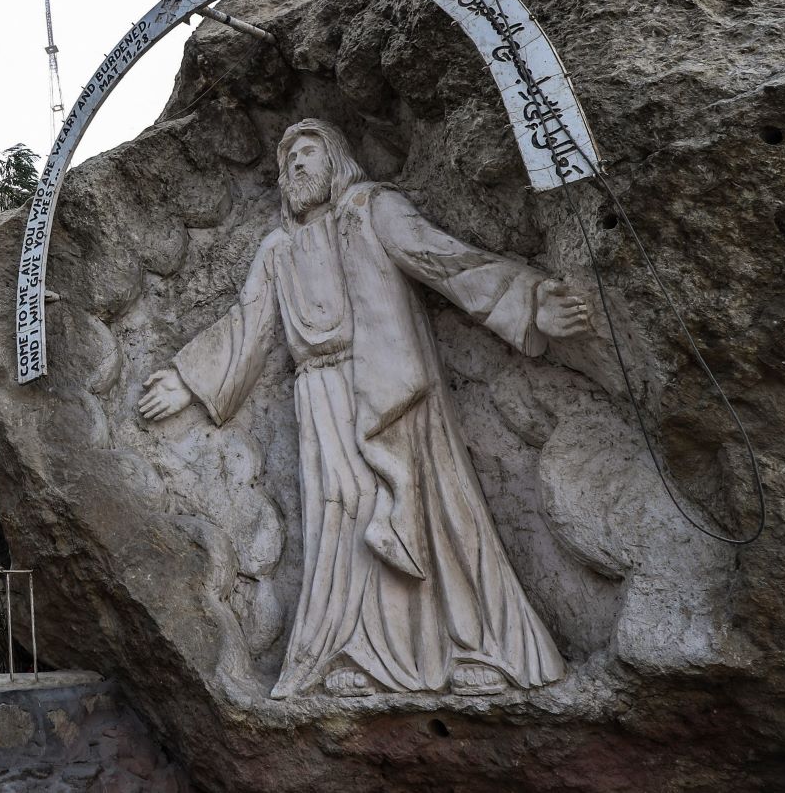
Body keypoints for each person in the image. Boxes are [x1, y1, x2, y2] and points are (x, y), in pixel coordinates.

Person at [137, 119, 593, 700]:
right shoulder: (277, 249)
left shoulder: (372, 209)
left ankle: (473, 648)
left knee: (430, 513)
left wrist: (528, 301)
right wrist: (188, 380)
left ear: (336, 161)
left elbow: (444, 260)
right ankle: (355, 653)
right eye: (288, 160)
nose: (296, 166)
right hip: (320, 397)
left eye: (308, 153)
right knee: (345, 520)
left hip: (392, 388)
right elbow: (247, 324)